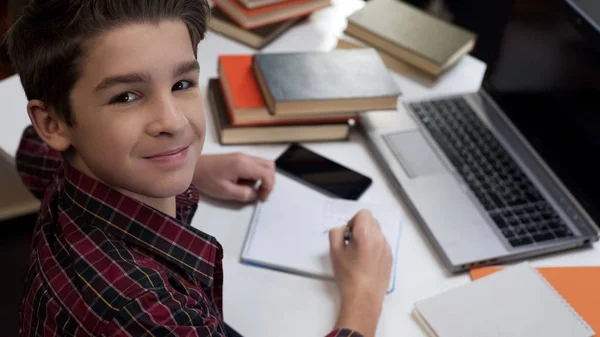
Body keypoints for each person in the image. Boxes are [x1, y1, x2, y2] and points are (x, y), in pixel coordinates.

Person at [3, 1, 393, 336]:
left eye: (181, 84)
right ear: (54, 122)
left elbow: (32, 149)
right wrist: (363, 295)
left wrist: (193, 168)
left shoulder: (73, 164)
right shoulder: (148, 315)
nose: (172, 122)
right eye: (125, 96)